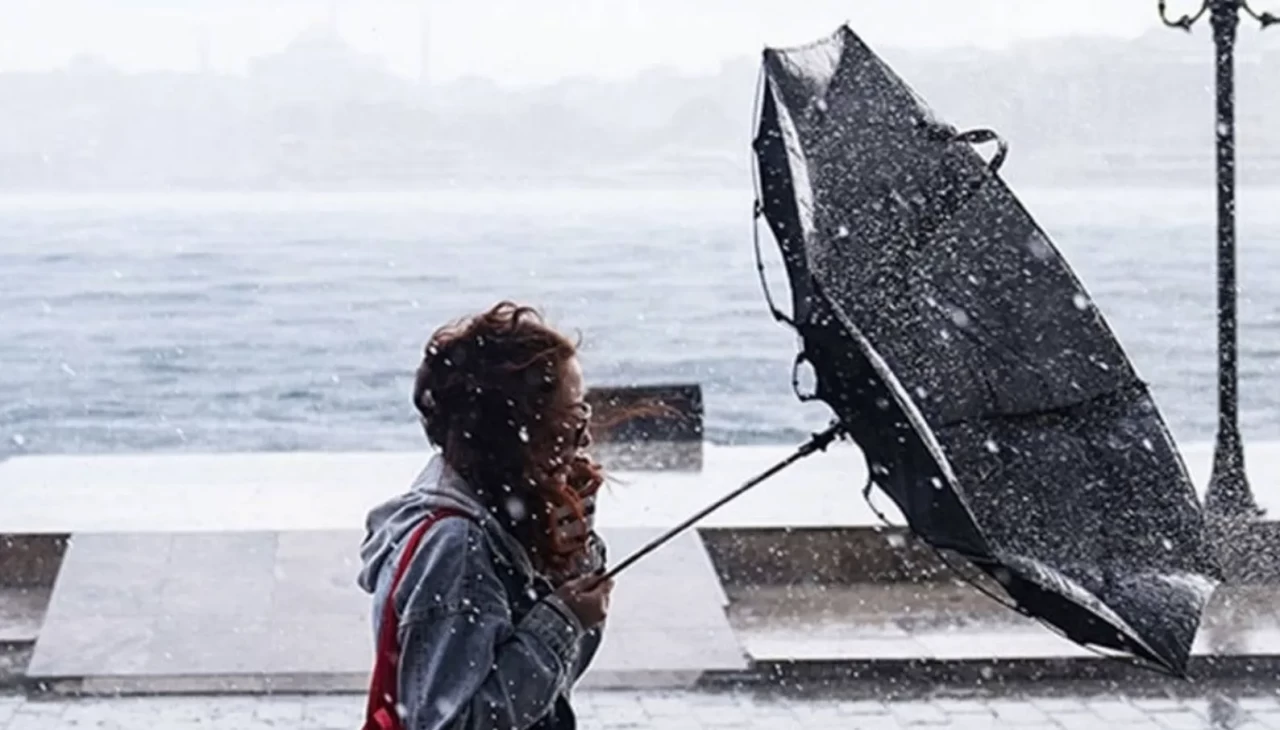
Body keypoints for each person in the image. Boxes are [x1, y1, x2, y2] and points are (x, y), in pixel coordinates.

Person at [357, 301, 614, 730]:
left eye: (584, 414)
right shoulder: (458, 549)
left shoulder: (490, 518)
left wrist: (570, 564)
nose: (584, 438)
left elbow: (549, 694)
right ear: (515, 434)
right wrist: (561, 621)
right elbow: (455, 723)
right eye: (569, 420)